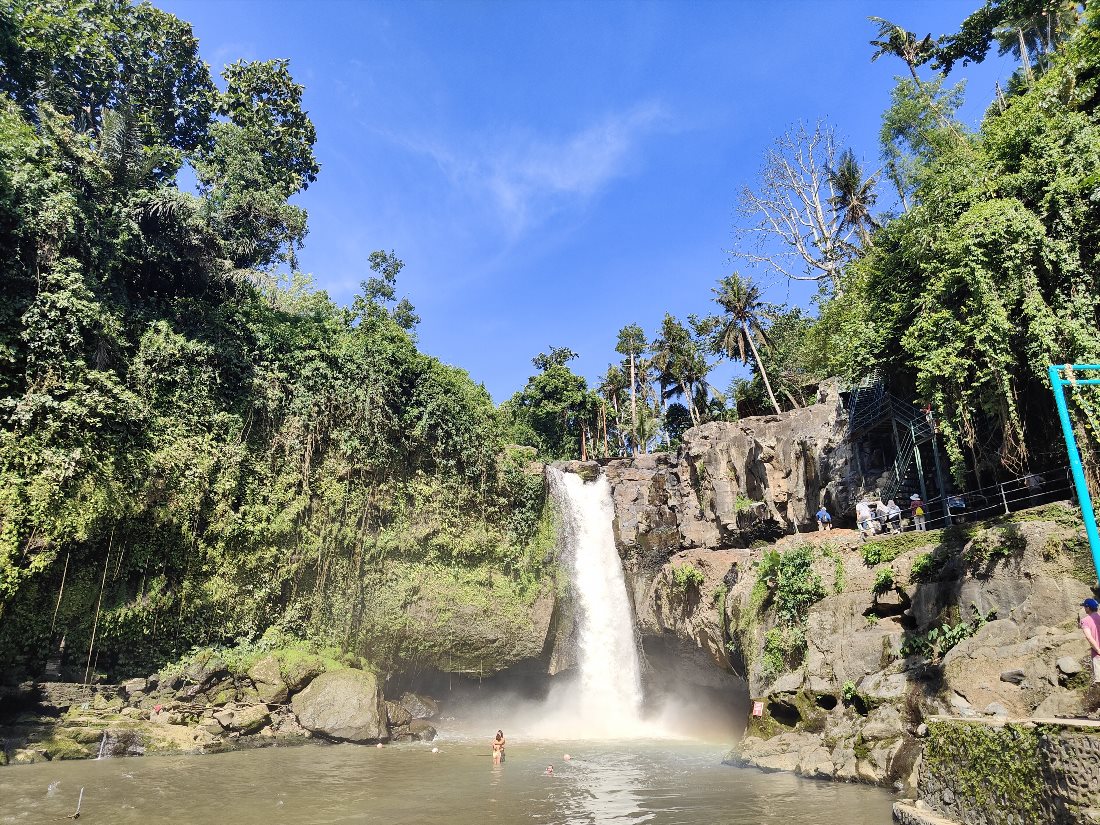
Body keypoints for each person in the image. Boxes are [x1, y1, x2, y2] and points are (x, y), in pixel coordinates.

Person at [1081, 599, 1100, 686]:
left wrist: (1098, 650)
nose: (1084, 608)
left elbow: (1089, 637)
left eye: (1085, 606)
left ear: (1088, 607)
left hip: (1097, 655)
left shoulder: (1085, 621)